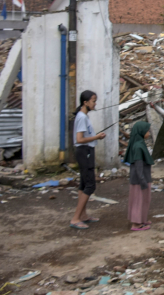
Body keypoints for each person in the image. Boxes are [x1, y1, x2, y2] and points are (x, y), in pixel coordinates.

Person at [70, 90, 106, 229]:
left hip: (86, 151)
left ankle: (83, 215)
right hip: (84, 152)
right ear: (85, 102)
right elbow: (79, 139)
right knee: (90, 185)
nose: (95, 103)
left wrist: (95, 136)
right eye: (93, 101)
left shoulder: (83, 116)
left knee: (84, 184)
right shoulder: (82, 117)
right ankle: (75, 218)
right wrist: (96, 137)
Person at [124, 122, 154, 231]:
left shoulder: (139, 143)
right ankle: (136, 224)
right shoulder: (138, 146)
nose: (148, 132)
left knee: (144, 200)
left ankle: (141, 219)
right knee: (138, 201)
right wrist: (142, 180)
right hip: (139, 180)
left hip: (142, 178)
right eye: (147, 131)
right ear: (141, 132)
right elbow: (138, 165)